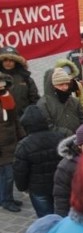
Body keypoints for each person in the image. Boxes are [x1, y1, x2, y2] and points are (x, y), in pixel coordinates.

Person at [13, 105, 65, 217]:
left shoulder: (24, 145)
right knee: (62, 215)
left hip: (38, 189)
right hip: (59, 185)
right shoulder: (59, 137)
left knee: (45, 218)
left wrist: (22, 187)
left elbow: (20, 171)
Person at [37, 67, 83, 136]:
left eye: (66, 84)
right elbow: (47, 127)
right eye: (60, 84)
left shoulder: (73, 101)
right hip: (57, 143)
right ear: (52, 86)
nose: (65, 87)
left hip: (78, 139)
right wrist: (67, 133)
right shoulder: (43, 104)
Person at [0, 74, 22, 213]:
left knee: (8, 174)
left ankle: (7, 197)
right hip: (2, 145)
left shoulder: (7, 97)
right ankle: (5, 200)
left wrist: (21, 135)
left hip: (11, 141)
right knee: (7, 175)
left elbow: (14, 119)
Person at [0, 46, 40, 119]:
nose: (8, 63)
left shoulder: (26, 78)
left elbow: (35, 100)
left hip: (24, 120)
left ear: (16, 62)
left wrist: (29, 116)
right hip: (3, 122)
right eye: (5, 60)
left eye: (11, 60)